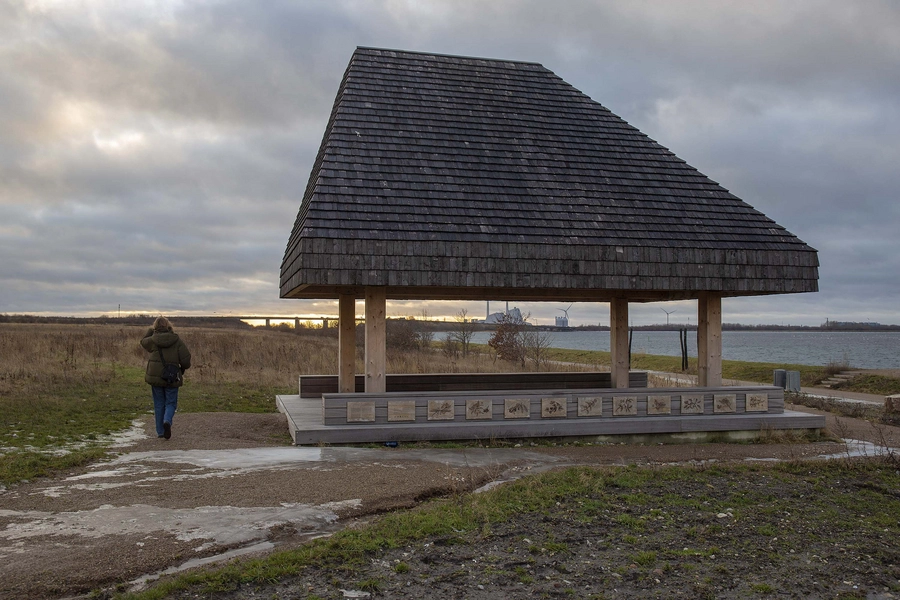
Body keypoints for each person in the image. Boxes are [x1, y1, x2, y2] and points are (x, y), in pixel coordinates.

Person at [141, 316, 191, 440]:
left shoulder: (152, 340)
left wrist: (151, 330)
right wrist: (182, 368)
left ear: (155, 327)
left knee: (159, 404)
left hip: (156, 377)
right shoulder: (176, 340)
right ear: (169, 326)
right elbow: (186, 361)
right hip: (172, 377)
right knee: (170, 403)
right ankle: (167, 421)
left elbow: (143, 341)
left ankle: (160, 432)